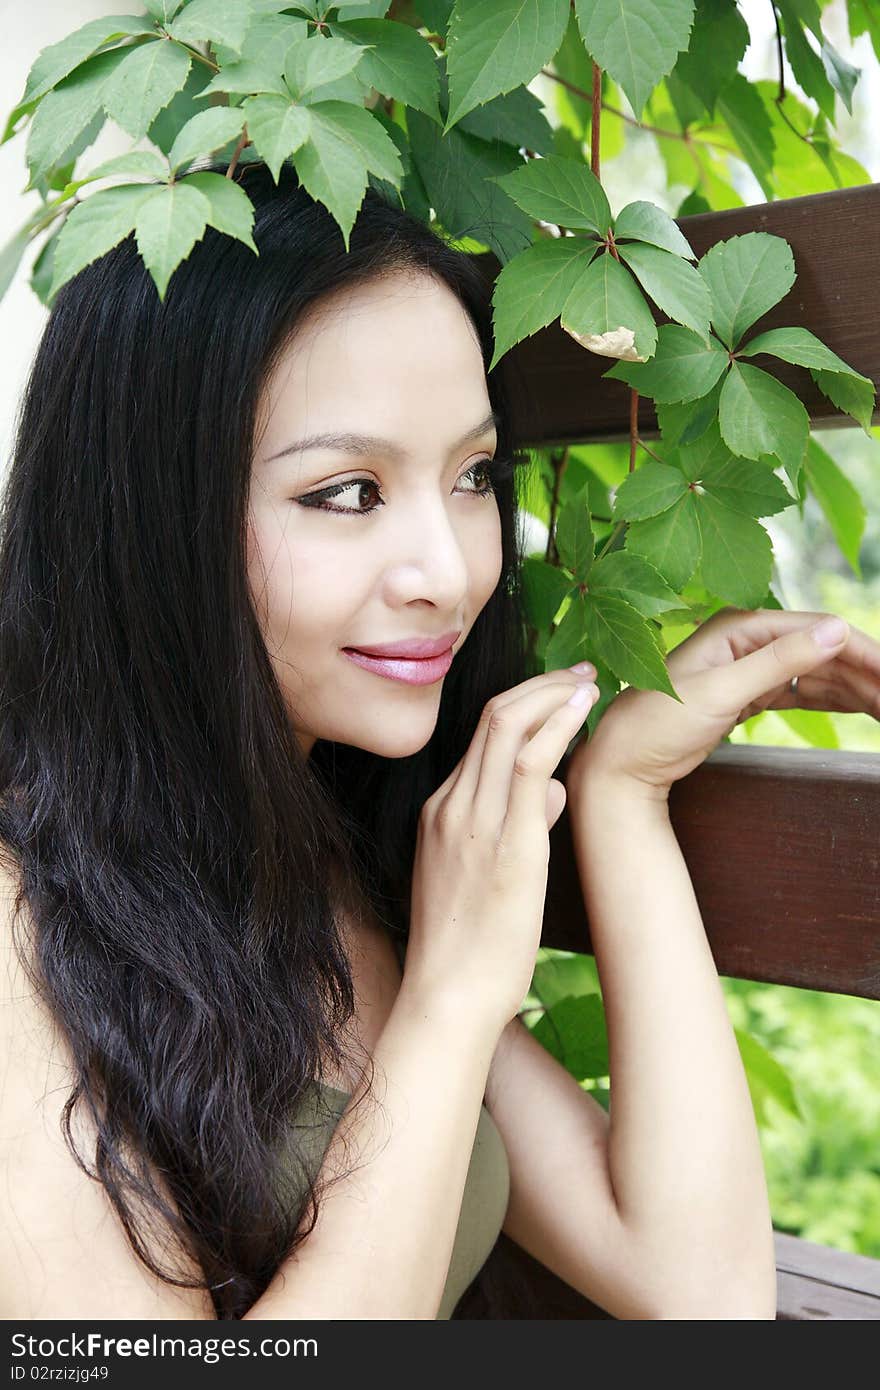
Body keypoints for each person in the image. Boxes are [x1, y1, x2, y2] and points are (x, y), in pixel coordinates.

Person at [1, 160, 877, 1322]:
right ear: (151, 516)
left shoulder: (322, 874)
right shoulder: (20, 921)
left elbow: (697, 1287)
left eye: (472, 475)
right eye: (348, 491)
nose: (450, 571)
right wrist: (456, 995)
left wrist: (621, 792)